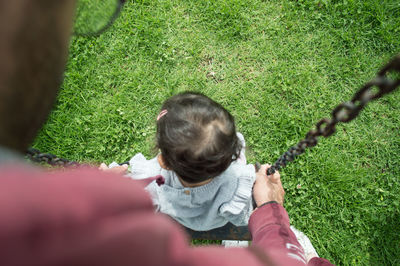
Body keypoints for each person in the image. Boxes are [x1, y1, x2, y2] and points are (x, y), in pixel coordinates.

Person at [0, 1, 333, 265]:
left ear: (163, 159)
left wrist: (113, 180)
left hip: (177, 213)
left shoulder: (149, 176)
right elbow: (242, 195)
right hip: (219, 218)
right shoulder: (241, 182)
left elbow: (137, 187)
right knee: (247, 225)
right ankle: (238, 242)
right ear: (233, 149)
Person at [104, 91, 255, 231]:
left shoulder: (151, 179)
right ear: (230, 151)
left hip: (185, 220)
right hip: (215, 221)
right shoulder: (238, 181)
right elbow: (243, 218)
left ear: (163, 161)